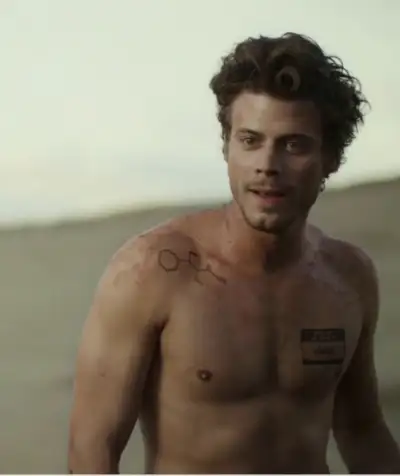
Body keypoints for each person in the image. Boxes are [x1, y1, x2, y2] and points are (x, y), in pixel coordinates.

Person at [68, 33, 400, 474]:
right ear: (226, 147)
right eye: (250, 140)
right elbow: (93, 446)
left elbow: (361, 429)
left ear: (331, 158)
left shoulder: (348, 277)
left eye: (293, 144)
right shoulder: (152, 271)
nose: (268, 165)